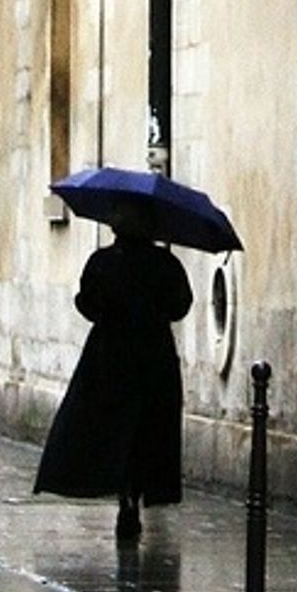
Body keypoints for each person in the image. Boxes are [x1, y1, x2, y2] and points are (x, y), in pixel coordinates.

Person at [35, 196, 193, 540]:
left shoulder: (102, 262)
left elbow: (88, 304)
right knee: (146, 432)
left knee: (112, 430)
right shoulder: (166, 264)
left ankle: (122, 493)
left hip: (109, 359)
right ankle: (136, 493)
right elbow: (181, 306)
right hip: (154, 359)